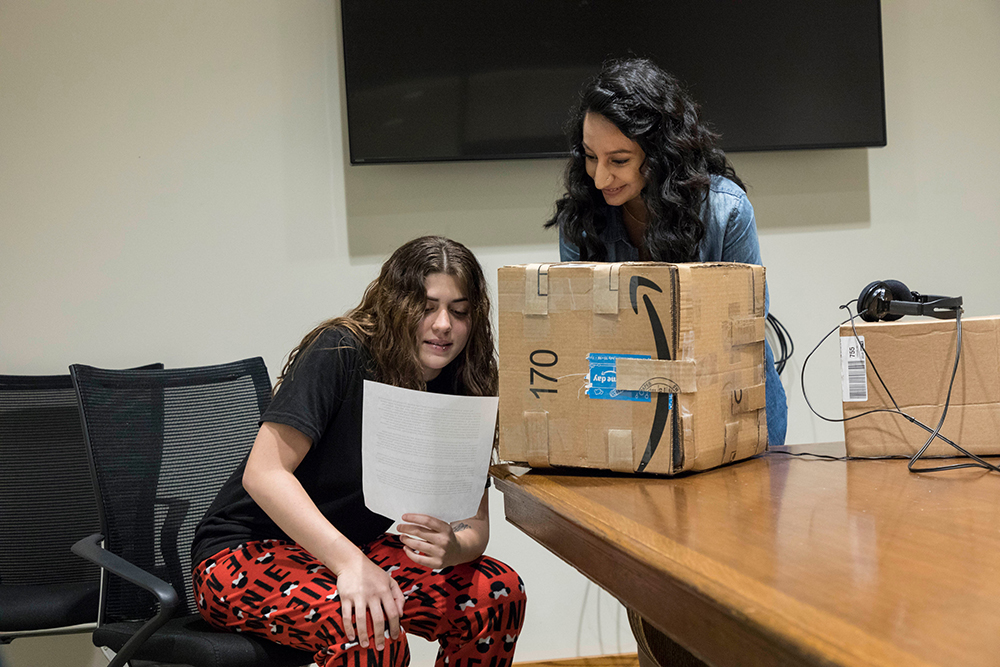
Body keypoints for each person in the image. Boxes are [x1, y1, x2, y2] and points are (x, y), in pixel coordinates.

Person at [191, 236, 525, 667]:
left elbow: (473, 525)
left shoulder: (465, 379)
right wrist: (350, 564)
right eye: (426, 307)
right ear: (395, 305)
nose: (443, 324)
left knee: (496, 595)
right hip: (242, 553)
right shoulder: (341, 350)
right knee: (370, 624)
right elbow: (264, 474)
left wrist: (454, 547)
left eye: (459, 311)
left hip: (354, 548)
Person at [546, 57, 787, 449]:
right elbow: (583, 337)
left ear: (659, 154)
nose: (600, 177)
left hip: (728, 406)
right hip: (627, 409)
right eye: (591, 156)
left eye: (619, 160)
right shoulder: (583, 218)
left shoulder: (726, 209)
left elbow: (744, 328)